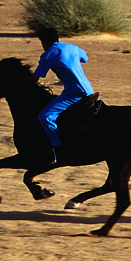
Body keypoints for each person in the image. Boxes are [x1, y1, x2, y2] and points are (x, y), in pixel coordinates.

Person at [32, 28, 94, 163]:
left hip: (74, 92)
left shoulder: (48, 54)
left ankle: (56, 150)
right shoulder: (73, 47)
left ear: (44, 42)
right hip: (89, 89)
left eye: (42, 42)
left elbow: (35, 78)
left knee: (45, 116)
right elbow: (85, 58)